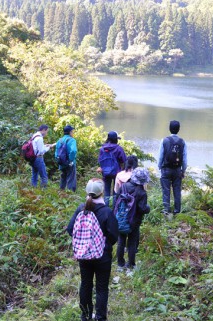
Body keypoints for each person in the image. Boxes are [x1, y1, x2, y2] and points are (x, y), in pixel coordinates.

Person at [67, 179, 119, 321]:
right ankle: (100, 317)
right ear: (102, 192)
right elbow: (114, 235)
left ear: (87, 192)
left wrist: (84, 243)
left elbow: (70, 229)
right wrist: (105, 245)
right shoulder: (107, 212)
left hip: (84, 256)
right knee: (101, 287)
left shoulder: (81, 209)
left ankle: (85, 315)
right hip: (102, 256)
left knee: (86, 284)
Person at [116, 167, 151, 272]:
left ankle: (120, 264)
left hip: (122, 218)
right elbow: (142, 208)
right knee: (132, 243)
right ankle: (130, 264)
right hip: (134, 221)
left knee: (121, 241)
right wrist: (148, 208)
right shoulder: (142, 193)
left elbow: (117, 198)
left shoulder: (124, 186)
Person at [158, 120, 187, 218]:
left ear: (169, 128)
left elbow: (160, 156)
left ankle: (166, 211)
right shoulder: (182, 142)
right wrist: (183, 170)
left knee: (166, 190)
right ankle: (177, 211)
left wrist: (159, 167)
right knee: (177, 190)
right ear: (179, 129)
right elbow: (185, 158)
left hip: (166, 169)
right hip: (177, 169)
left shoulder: (164, 140)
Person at [98, 131, 126, 207]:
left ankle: (106, 207)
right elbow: (123, 160)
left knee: (106, 190)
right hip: (117, 172)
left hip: (105, 172)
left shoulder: (102, 149)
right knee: (115, 190)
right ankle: (114, 207)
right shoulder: (118, 148)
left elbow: (100, 160)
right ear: (116, 139)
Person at [30, 124, 55, 189]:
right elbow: (41, 151)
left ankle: (32, 190)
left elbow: (36, 148)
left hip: (33, 158)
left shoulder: (34, 136)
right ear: (43, 130)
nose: (46, 133)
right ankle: (43, 191)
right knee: (44, 176)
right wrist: (49, 147)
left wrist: (45, 145)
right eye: (47, 131)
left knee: (34, 175)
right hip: (38, 158)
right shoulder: (40, 138)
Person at [55, 125, 78, 191]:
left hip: (61, 162)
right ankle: (70, 195)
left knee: (63, 177)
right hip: (70, 163)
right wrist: (71, 160)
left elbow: (56, 152)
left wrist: (58, 160)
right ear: (70, 132)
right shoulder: (72, 140)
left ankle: (61, 193)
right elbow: (73, 151)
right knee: (71, 179)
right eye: (72, 131)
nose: (73, 133)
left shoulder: (60, 140)